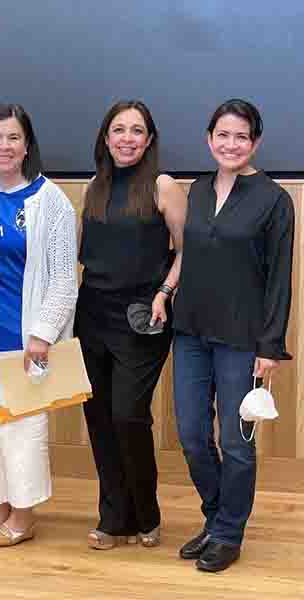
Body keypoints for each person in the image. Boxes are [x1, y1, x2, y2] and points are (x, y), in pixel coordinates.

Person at [173, 99, 294, 572]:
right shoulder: (198, 192)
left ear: (255, 142)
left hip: (243, 339)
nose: (230, 144)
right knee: (191, 436)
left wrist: (270, 346)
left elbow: (280, 278)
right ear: (209, 138)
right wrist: (166, 292)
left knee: (237, 442)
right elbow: (188, 258)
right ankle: (214, 517)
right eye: (222, 135)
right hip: (189, 333)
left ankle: (227, 532)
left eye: (241, 136)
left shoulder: (273, 200)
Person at [0, 104, 77, 547]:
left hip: (23, 340)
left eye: (13, 138)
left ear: (27, 146)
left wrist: (43, 334)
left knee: (22, 430)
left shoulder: (50, 201)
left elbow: (64, 277)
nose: (3, 147)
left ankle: (23, 515)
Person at [74, 100, 187, 550]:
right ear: (106, 138)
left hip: (144, 317)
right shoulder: (93, 188)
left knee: (128, 415)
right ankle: (112, 518)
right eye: (118, 130)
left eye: (136, 131)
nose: (127, 138)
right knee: (98, 419)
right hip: (92, 316)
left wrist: (165, 293)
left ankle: (146, 513)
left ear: (149, 140)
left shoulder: (163, 186)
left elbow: (186, 251)